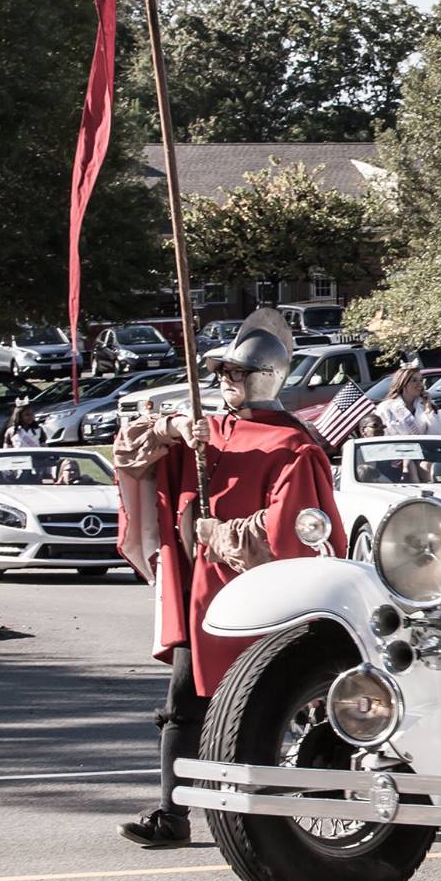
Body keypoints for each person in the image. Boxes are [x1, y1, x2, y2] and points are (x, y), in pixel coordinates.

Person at [111, 308, 343, 848]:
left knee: (265, 705)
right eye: (219, 373)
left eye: (233, 374)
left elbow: (293, 534)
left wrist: (219, 533)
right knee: (182, 704)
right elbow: (128, 451)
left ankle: (271, 817)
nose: (222, 382)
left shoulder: (294, 446)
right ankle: (173, 812)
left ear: (262, 376)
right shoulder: (206, 433)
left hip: (258, 599)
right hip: (201, 596)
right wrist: (171, 428)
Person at [374, 365, 441, 437]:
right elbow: (382, 436)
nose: (420, 384)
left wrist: (428, 408)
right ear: (403, 383)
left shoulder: (426, 405)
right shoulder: (386, 407)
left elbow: (437, 434)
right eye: (414, 380)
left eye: (421, 380)